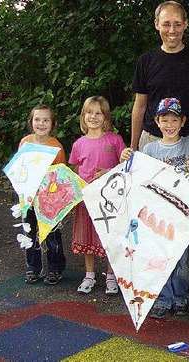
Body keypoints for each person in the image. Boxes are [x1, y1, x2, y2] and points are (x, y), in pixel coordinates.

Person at [130, 1, 189, 283]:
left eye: (177, 24)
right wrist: (133, 148)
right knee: (153, 206)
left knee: (186, 208)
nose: (172, 30)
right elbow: (140, 106)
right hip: (153, 143)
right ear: (157, 25)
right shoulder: (146, 61)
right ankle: (157, 270)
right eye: (166, 24)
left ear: (186, 24)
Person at [120, 97, 189, 318]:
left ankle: (181, 297)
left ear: (183, 121)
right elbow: (135, 173)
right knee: (160, 257)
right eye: (164, 120)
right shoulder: (149, 148)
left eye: (174, 119)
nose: (170, 125)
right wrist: (126, 156)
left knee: (182, 259)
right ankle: (163, 298)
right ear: (156, 121)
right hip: (157, 216)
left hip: (182, 215)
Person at [69, 96, 126, 295]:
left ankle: (112, 276)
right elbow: (75, 170)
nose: (93, 117)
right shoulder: (79, 143)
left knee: (109, 237)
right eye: (89, 113)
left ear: (106, 117)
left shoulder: (114, 139)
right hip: (86, 200)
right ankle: (89, 275)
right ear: (83, 117)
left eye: (98, 113)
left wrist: (108, 171)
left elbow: (124, 167)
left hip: (109, 200)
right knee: (88, 236)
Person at [19, 105, 67, 286]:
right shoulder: (25, 142)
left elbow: (61, 176)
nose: (41, 123)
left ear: (52, 124)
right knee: (29, 232)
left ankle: (55, 267)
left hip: (49, 199)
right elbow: (20, 169)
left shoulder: (56, 147)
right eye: (37, 119)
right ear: (31, 122)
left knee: (52, 233)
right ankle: (33, 267)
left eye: (46, 120)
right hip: (28, 197)